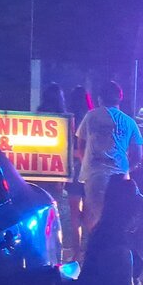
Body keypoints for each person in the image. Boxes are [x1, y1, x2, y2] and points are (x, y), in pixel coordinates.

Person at [76, 81, 143, 233]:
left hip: (95, 177)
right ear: (120, 98)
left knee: (95, 219)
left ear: (99, 98)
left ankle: (97, 251)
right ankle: (113, 252)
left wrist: (87, 164)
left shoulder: (91, 116)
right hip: (120, 177)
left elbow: (80, 145)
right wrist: (126, 169)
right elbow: (138, 156)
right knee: (117, 220)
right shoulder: (129, 122)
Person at [64, 86, 93, 261]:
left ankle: (76, 253)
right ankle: (90, 252)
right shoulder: (91, 120)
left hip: (72, 169)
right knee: (89, 213)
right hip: (89, 170)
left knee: (75, 214)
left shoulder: (67, 120)